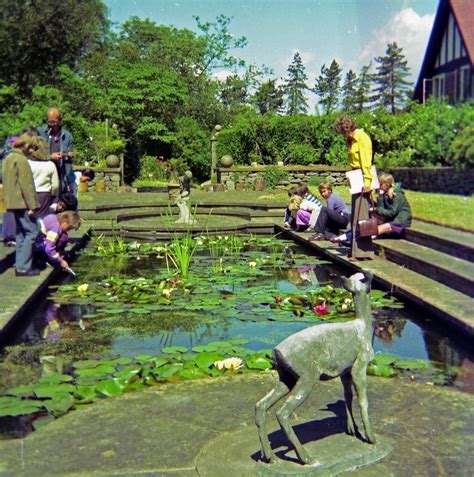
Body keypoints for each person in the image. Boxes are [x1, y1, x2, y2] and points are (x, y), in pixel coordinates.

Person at [334, 116, 374, 260]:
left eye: (344, 133)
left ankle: (363, 252)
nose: (344, 136)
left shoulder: (362, 138)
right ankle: (356, 251)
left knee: (362, 215)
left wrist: (368, 181)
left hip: (363, 178)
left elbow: (366, 161)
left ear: (348, 129)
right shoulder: (351, 140)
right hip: (356, 177)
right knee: (356, 215)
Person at [332, 173, 412, 244]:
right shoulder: (385, 193)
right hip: (391, 219)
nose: (378, 187)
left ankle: (353, 241)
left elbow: (391, 212)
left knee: (372, 229)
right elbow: (382, 208)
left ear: (387, 184)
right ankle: (344, 237)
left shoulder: (397, 195)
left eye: (380, 185)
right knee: (364, 225)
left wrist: (377, 209)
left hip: (399, 222)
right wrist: (380, 197)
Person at [1, 132, 40, 276]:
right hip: (22, 203)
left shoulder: (8, 157)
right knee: (33, 231)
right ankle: (23, 267)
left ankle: (20, 264)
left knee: (20, 234)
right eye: (32, 148)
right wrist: (33, 206)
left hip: (11, 202)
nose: (32, 152)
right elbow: (27, 185)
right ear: (26, 145)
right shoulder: (21, 160)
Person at [37, 108, 74, 196]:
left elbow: (70, 154)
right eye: (50, 122)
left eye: (55, 122)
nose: (52, 125)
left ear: (60, 120)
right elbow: (34, 154)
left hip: (61, 174)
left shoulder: (67, 136)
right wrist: (50, 156)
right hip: (44, 175)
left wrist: (65, 154)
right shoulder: (40, 132)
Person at [28, 135, 59, 217]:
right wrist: (53, 196)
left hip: (29, 194)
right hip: (45, 195)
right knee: (42, 218)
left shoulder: (27, 163)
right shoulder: (50, 165)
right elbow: (55, 185)